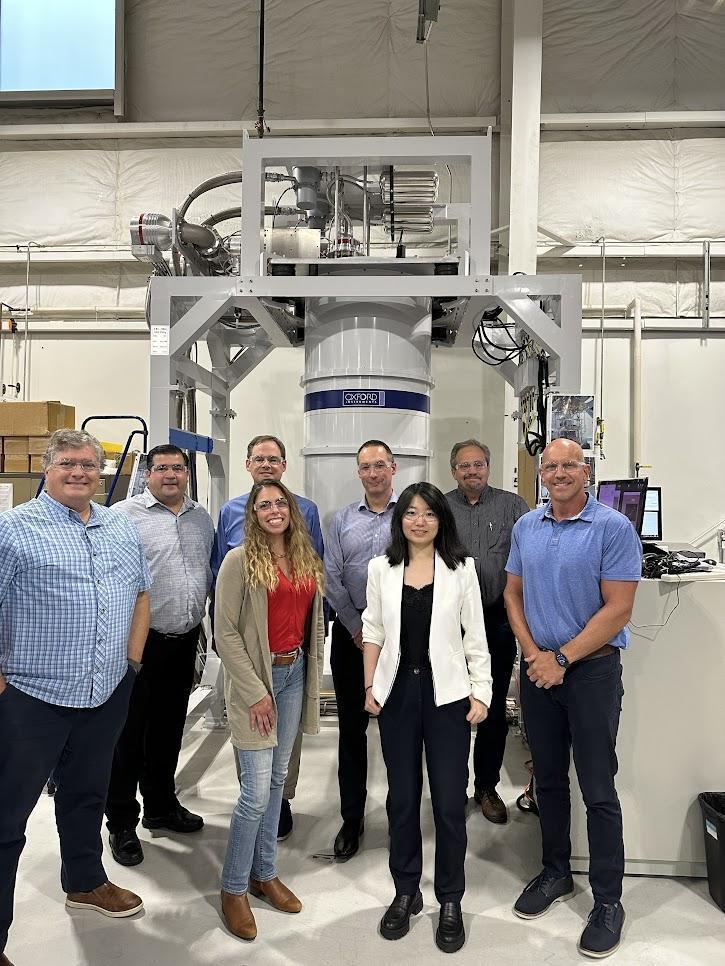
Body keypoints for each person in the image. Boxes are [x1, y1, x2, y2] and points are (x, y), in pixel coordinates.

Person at [0, 429, 151, 966]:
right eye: (68, 463)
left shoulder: (119, 528)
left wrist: (130, 664)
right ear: (48, 468)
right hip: (30, 698)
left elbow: (139, 594)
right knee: (5, 819)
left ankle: (85, 880)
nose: (80, 472)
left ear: (102, 471)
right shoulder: (14, 529)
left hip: (105, 692)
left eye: (90, 464)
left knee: (87, 794)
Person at [504, 438, 641, 960]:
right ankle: (556, 871)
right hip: (539, 671)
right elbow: (513, 594)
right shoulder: (526, 527)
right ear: (542, 474)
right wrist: (534, 654)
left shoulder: (613, 528)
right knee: (549, 781)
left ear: (586, 471)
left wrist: (560, 659)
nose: (559, 474)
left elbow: (618, 609)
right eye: (551, 467)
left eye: (569, 466)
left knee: (599, 789)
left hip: (590, 675)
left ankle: (608, 900)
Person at [363, 482, 492, 954]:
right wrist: (368, 685)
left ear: (442, 519)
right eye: (411, 513)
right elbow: (372, 628)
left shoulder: (462, 569)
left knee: (448, 803)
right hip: (397, 694)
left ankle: (450, 898)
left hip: (449, 698)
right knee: (401, 798)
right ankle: (405, 890)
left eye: (429, 513)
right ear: (400, 520)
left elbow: (475, 636)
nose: (420, 521)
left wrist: (482, 693)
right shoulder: (381, 568)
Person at [214, 479, 324, 942]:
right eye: (264, 505)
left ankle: (265, 872)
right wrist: (256, 690)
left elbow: (310, 622)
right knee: (255, 793)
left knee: (278, 782)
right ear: (252, 513)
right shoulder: (238, 561)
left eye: (281, 503)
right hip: (255, 682)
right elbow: (225, 633)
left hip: (293, 673)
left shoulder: (304, 558)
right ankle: (233, 888)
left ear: (291, 510)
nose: (274, 510)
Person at [105, 444, 215, 865]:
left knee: (169, 730)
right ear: (148, 474)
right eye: (162, 468)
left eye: (178, 468)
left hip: (184, 639)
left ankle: (161, 807)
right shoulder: (123, 516)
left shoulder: (200, 517)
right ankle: (121, 823)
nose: (170, 474)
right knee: (128, 737)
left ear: (187, 473)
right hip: (139, 643)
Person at [211, 433, 323, 840]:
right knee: (254, 752)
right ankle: (253, 799)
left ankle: (281, 801)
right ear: (247, 464)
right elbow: (219, 577)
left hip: (292, 655)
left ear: (284, 464)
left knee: (283, 752)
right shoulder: (229, 514)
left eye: (274, 458)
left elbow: (313, 576)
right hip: (249, 645)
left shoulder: (306, 511)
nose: (266, 465)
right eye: (259, 458)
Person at [445, 438, 529, 824]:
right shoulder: (440, 507)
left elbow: (529, 560)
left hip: (497, 619)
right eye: (465, 466)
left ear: (488, 468)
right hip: (449, 624)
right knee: (453, 707)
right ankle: (452, 787)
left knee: (492, 708)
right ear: (454, 471)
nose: (472, 471)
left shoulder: (514, 507)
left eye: (479, 464)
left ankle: (486, 787)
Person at [324, 439, 398, 861]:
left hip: (399, 644)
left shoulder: (411, 514)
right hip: (351, 642)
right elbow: (330, 575)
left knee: (396, 734)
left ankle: (397, 816)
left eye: (380, 466)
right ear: (358, 473)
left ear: (394, 467)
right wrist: (357, 626)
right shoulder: (339, 521)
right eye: (366, 467)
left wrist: (387, 632)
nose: (373, 473)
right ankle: (351, 819)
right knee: (351, 732)